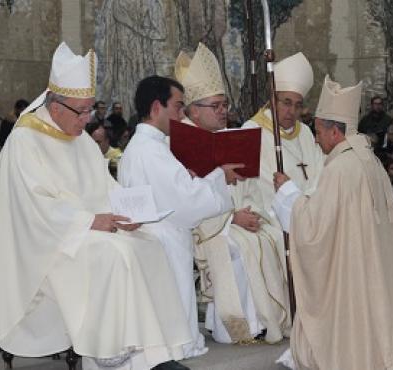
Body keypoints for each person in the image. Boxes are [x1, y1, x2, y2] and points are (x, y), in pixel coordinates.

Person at [0, 42, 191, 370]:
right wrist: (88, 221)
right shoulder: (24, 142)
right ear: (55, 106)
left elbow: (107, 187)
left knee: (150, 246)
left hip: (87, 231)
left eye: (89, 110)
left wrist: (131, 213)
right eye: (81, 111)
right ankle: (111, 350)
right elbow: (33, 208)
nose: (88, 120)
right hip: (51, 245)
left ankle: (155, 353)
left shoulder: (81, 141)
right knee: (116, 254)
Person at [272, 75, 393, 370]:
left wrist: (286, 192)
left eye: (318, 131)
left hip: (353, 264)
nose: (316, 137)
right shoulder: (367, 159)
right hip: (371, 259)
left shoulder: (341, 168)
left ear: (335, 132)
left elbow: (312, 229)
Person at [118, 75, 245, 359]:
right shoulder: (149, 150)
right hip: (162, 237)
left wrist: (193, 179)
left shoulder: (148, 147)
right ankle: (173, 345)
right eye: (177, 106)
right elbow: (186, 201)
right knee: (170, 302)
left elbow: (174, 190)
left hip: (159, 235)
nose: (181, 114)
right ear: (156, 108)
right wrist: (219, 177)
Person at [173, 43, 289, 344]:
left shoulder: (231, 138)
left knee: (272, 236)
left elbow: (250, 186)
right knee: (237, 247)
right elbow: (187, 200)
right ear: (193, 110)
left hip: (236, 218)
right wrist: (230, 219)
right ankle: (235, 327)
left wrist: (252, 213)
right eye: (216, 106)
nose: (224, 111)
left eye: (225, 105)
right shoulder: (179, 146)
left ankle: (267, 321)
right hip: (208, 229)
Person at [242, 52, 324, 226]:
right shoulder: (251, 131)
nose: (292, 111)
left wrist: (304, 203)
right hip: (272, 221)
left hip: (308, 217)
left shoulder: (305, 133)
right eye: (286, 102)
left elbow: (319, 174)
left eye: (298, 105)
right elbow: (251, 186)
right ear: (273, 100)